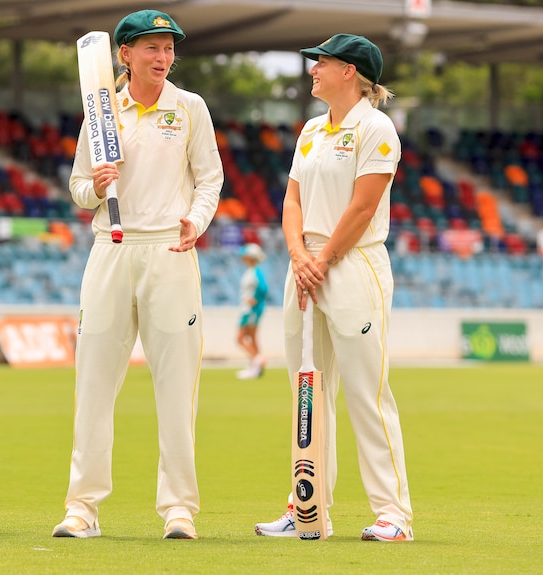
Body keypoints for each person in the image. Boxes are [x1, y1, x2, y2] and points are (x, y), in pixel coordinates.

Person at [52, 9, 223, 540]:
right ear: (123, 54)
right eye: (151, 47)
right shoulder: (100, 111)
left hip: (170, 252)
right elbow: (79, 189)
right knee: (94, 385)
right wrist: (96, 186)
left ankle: (179, 509)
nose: (163, 57)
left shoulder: (189, 107)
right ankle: (82, 507)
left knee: (177, 388)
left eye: (169, 48)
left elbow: (210, 179)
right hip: (111, 249)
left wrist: (195, 221)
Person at [254, 34, 413, 542]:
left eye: (320, 63)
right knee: (309, 394)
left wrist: (320, 260)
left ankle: (394, 515)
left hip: (353, 265)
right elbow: (292, 202)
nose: (312, 71)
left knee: (368, 391)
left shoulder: (377, 127)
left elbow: (364, 207)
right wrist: (300, 256)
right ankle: (308, 510)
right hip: (305, 267)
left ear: (349, 71)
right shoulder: (310, 130)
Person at [235, 243, 269, 379]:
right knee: (252, 337)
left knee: (240, 337)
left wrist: (255, 299)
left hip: (251, 310)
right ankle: (255, 368)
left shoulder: (255, 272)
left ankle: (257, 359)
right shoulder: (252, 271)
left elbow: (263, 288)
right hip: (250, 309)